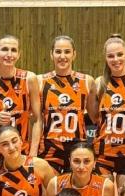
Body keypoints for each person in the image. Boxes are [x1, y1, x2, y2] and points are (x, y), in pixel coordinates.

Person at [0, 35, 42, 164]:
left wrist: (33, 153)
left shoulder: (29, 79)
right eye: (4, 49)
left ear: (19, 54)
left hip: (20, 152)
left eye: (13, 50)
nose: (9, 54)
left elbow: (37, 119)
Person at [39, 35, 97, 174]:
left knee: (76, 187)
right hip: (50, 146)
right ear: (51, 54)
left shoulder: (87, 81)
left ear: (74, 54)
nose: (62, 56)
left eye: (67, 52)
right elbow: (35, 119)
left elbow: (96, 118)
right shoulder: (40, 81)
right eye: (58, 52)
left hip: (77, 146)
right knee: (51, 186)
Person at [95, 34, 125, 189]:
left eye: (120, 54)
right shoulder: (100, 83)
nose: (116, 59)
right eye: (111, 56)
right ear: (105, 58)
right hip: (103, 153)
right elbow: (94, 116)